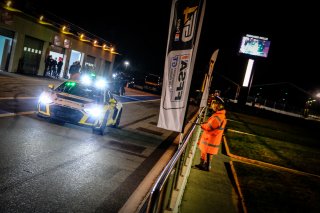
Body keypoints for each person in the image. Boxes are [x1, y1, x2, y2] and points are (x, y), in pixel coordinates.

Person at [195, 96, 227, 171]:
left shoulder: (218, 117)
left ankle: (206, 166)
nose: (212, 106)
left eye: (213, 104)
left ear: (218, 106)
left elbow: (209, 126)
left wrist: (202, 125)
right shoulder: (220, 115)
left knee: (207, 152)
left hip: (210, 138)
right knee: (206, 152)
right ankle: (202, 164)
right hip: (211, 138)